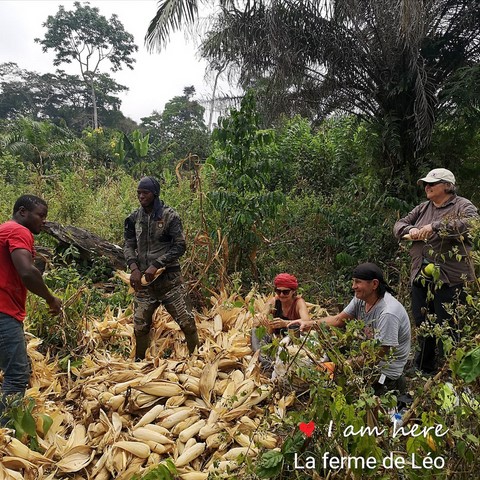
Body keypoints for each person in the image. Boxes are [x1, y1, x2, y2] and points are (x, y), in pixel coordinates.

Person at [393, 168, 478, 375]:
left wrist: (435, 226)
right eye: (426, 184)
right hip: (421, 274)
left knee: (448, 325)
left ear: (447, 186)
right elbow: (399, 225)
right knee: (423, 322)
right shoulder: (422, 208)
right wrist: (410, 230)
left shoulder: (462, 205)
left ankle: (452, 372)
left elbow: (473, 223)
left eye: (433, 183)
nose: (427, 187)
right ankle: (424, 368)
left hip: (450, 278)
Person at [288, 263, 411, 395]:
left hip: (383, 371)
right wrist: (309, 324)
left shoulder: (388, 313)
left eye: (358, 282)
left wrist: (343, 365)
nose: (353, 287)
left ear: (374, 284)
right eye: (353, 282)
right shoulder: (361, 299)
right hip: (365, 357)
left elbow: (378, 353)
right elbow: (338, 320)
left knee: (342, 392)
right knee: (329, 339)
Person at [0, 195, 62, 423]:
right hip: (4, 312)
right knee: (17, 375)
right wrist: (50, 298)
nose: (44, 221)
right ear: (23, 212)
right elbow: (27, 271)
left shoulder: (4, 230)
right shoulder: (18, 231)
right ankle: (5, 436)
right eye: (41, 215)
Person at [123, 177, 199, 360]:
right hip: (144, 284)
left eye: (145, 193)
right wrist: (134, 267)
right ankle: (140, 362)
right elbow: (128, 244)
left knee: (187, 323)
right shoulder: (134, 218)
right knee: (140, 327)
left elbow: (180, 246)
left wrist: (157, 264)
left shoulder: (169, 216)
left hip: (169, 281)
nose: (141, 196)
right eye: (139, 193)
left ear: (155, 194)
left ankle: (197, 359)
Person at [251, 273, 310, 370]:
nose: (282, 295)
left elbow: (307, 321)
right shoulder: (274, 301)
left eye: (286, 292)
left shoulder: (298, 302)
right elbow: (259, 318)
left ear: (293, 291)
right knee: (255, 332)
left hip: (293, 340)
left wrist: (285, 323)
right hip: (275, 340)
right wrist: (262, 319)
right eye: (278, 291)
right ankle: (268, 365)